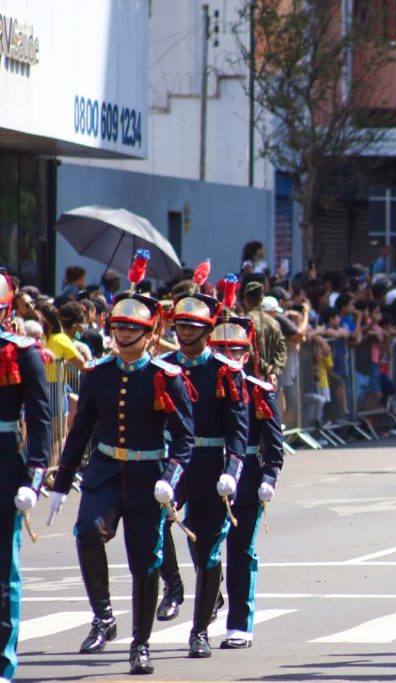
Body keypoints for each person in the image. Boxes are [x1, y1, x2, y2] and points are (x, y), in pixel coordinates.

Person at [47, 290, 194, 676]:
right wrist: (62, 482)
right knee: (87, 531)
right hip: (106, 471)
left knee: (145, 562)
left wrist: (171, 478)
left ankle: (140, 644)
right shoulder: (99, 373)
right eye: (119, 327)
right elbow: (81, 430)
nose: (125, 334)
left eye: (133, 328)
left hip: (148, 476)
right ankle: (103, 617)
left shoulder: (166, 377)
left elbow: (184, 438)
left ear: (148, 334)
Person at [163, 288, 249, 658]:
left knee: (208, 551)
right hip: (171, 463)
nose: (184, 332)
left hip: (210, 464)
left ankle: (199, 631)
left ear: (208, 330)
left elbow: (238, 431)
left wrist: (231, 471)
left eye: (192, 326)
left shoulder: (224, 371)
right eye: (180, 325)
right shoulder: (163, 367)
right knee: (153, 523)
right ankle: (173, 586)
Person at [209, 315, 285, 649]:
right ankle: (211, 590)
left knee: (241, 552)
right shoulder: (199, 387)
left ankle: (239, 625)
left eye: (235, 351)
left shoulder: (257, 390)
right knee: (204, 547)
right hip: (207, 472)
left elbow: (274, 444)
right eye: (219, 351)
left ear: (246, 353)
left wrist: (269, 476)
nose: (227, 358)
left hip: (247, 477)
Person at [0, 269, 52, 683]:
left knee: (3, 570)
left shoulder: (21, 352)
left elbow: (40, 419)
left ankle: (2, 661)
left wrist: (34, 476)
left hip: (3, 463)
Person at [241, 280, 286, 387]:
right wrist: (274, 371)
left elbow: (248, 351)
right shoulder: (274, 323)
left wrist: (267, 369)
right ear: (261, 299)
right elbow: (282, 350)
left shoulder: (245, 322)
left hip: (249, 380)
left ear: (245, 299)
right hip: (270, 380)